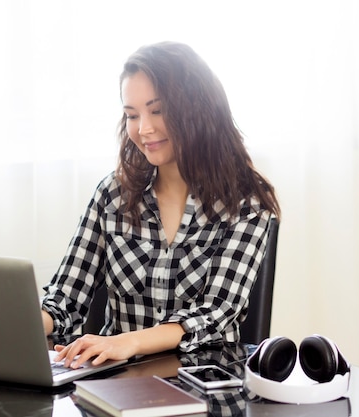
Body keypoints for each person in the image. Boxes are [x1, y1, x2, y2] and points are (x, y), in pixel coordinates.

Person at [41, 41, 280, 370]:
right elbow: (65, 298)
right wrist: (17, 327)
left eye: (157, 110)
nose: (143, 129)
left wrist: (129, 341)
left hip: (204, 386)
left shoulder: (247, 205)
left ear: (196, 108)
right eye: (132, 115)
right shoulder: (112, 195)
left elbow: (215, 313)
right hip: (117, 387)